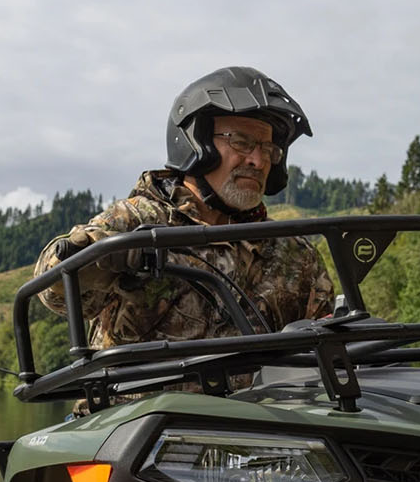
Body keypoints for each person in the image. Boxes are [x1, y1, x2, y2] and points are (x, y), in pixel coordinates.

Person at [35, 67, 334, 351]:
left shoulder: (293, 253)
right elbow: (53, 290)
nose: (259, 161)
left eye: (269, 150)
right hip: (145, 404)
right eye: (242, 142)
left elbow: (329, 339)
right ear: (197, 145)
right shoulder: (136, 222)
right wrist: (101, 258)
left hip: (255, 405)